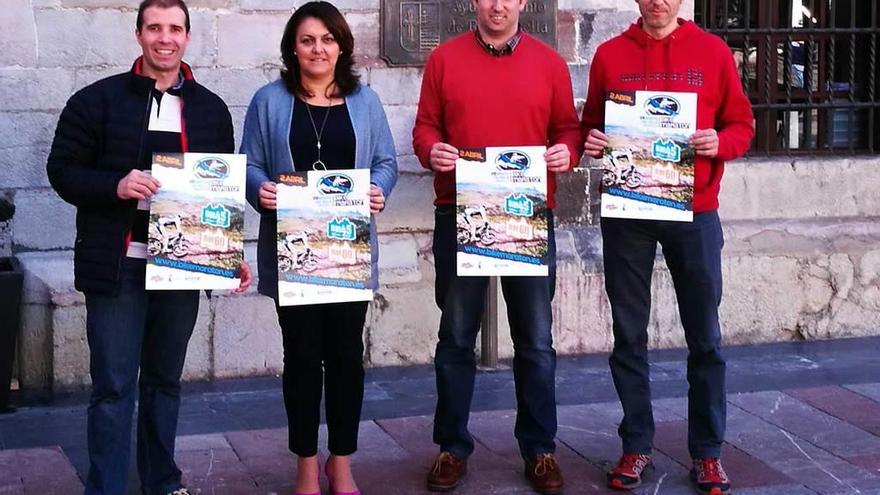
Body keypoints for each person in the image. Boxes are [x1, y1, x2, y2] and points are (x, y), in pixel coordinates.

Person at [46, 1, 251, 494]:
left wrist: (228, 256)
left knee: (164, 382)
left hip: (180, 266)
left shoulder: (210, 109)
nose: (166, 38)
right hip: (118, 266)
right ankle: (108, 487)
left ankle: (161, 481)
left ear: (188, 36)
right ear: (138, 34)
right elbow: (62, 170)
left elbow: (218, 194)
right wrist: (115, 185)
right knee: (114, 386)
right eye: (155, 27)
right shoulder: (95, 101)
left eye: (175, 28)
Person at [580, 1, 754, 494]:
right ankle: (636, 444)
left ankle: (708, 452)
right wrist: (591, 139)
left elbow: (742, 125)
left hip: (695, 212)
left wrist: (720, 143)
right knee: (628, 333)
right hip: (628, 213)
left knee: (705, 337)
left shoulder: (714, 52)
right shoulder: (610, 55)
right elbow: (591, 122)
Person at [411, 0, 582, 492]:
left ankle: (541, 449)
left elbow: (567, 130)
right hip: (460, 212)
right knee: (456, 338)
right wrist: (431, 149)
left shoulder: (549, 63)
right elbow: (425, 126)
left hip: (527, 216)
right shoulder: (444, 59)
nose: (499, 4)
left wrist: (565, 151)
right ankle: (451, 447)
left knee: (535, 341)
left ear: (523, 2)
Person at [239, 3, 397, 495]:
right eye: (308, 40)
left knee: (348, 359)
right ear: (292, 47)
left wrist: (379, 191)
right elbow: (249, 165)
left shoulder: (366, 102)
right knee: (303, 359)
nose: (318, 48)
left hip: (349, 255)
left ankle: (342, 462)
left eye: (328, 39)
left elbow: (386, 162)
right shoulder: (268, 101)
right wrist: (259, 188)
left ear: (342, 46)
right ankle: (306, 464)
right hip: (294, 255)